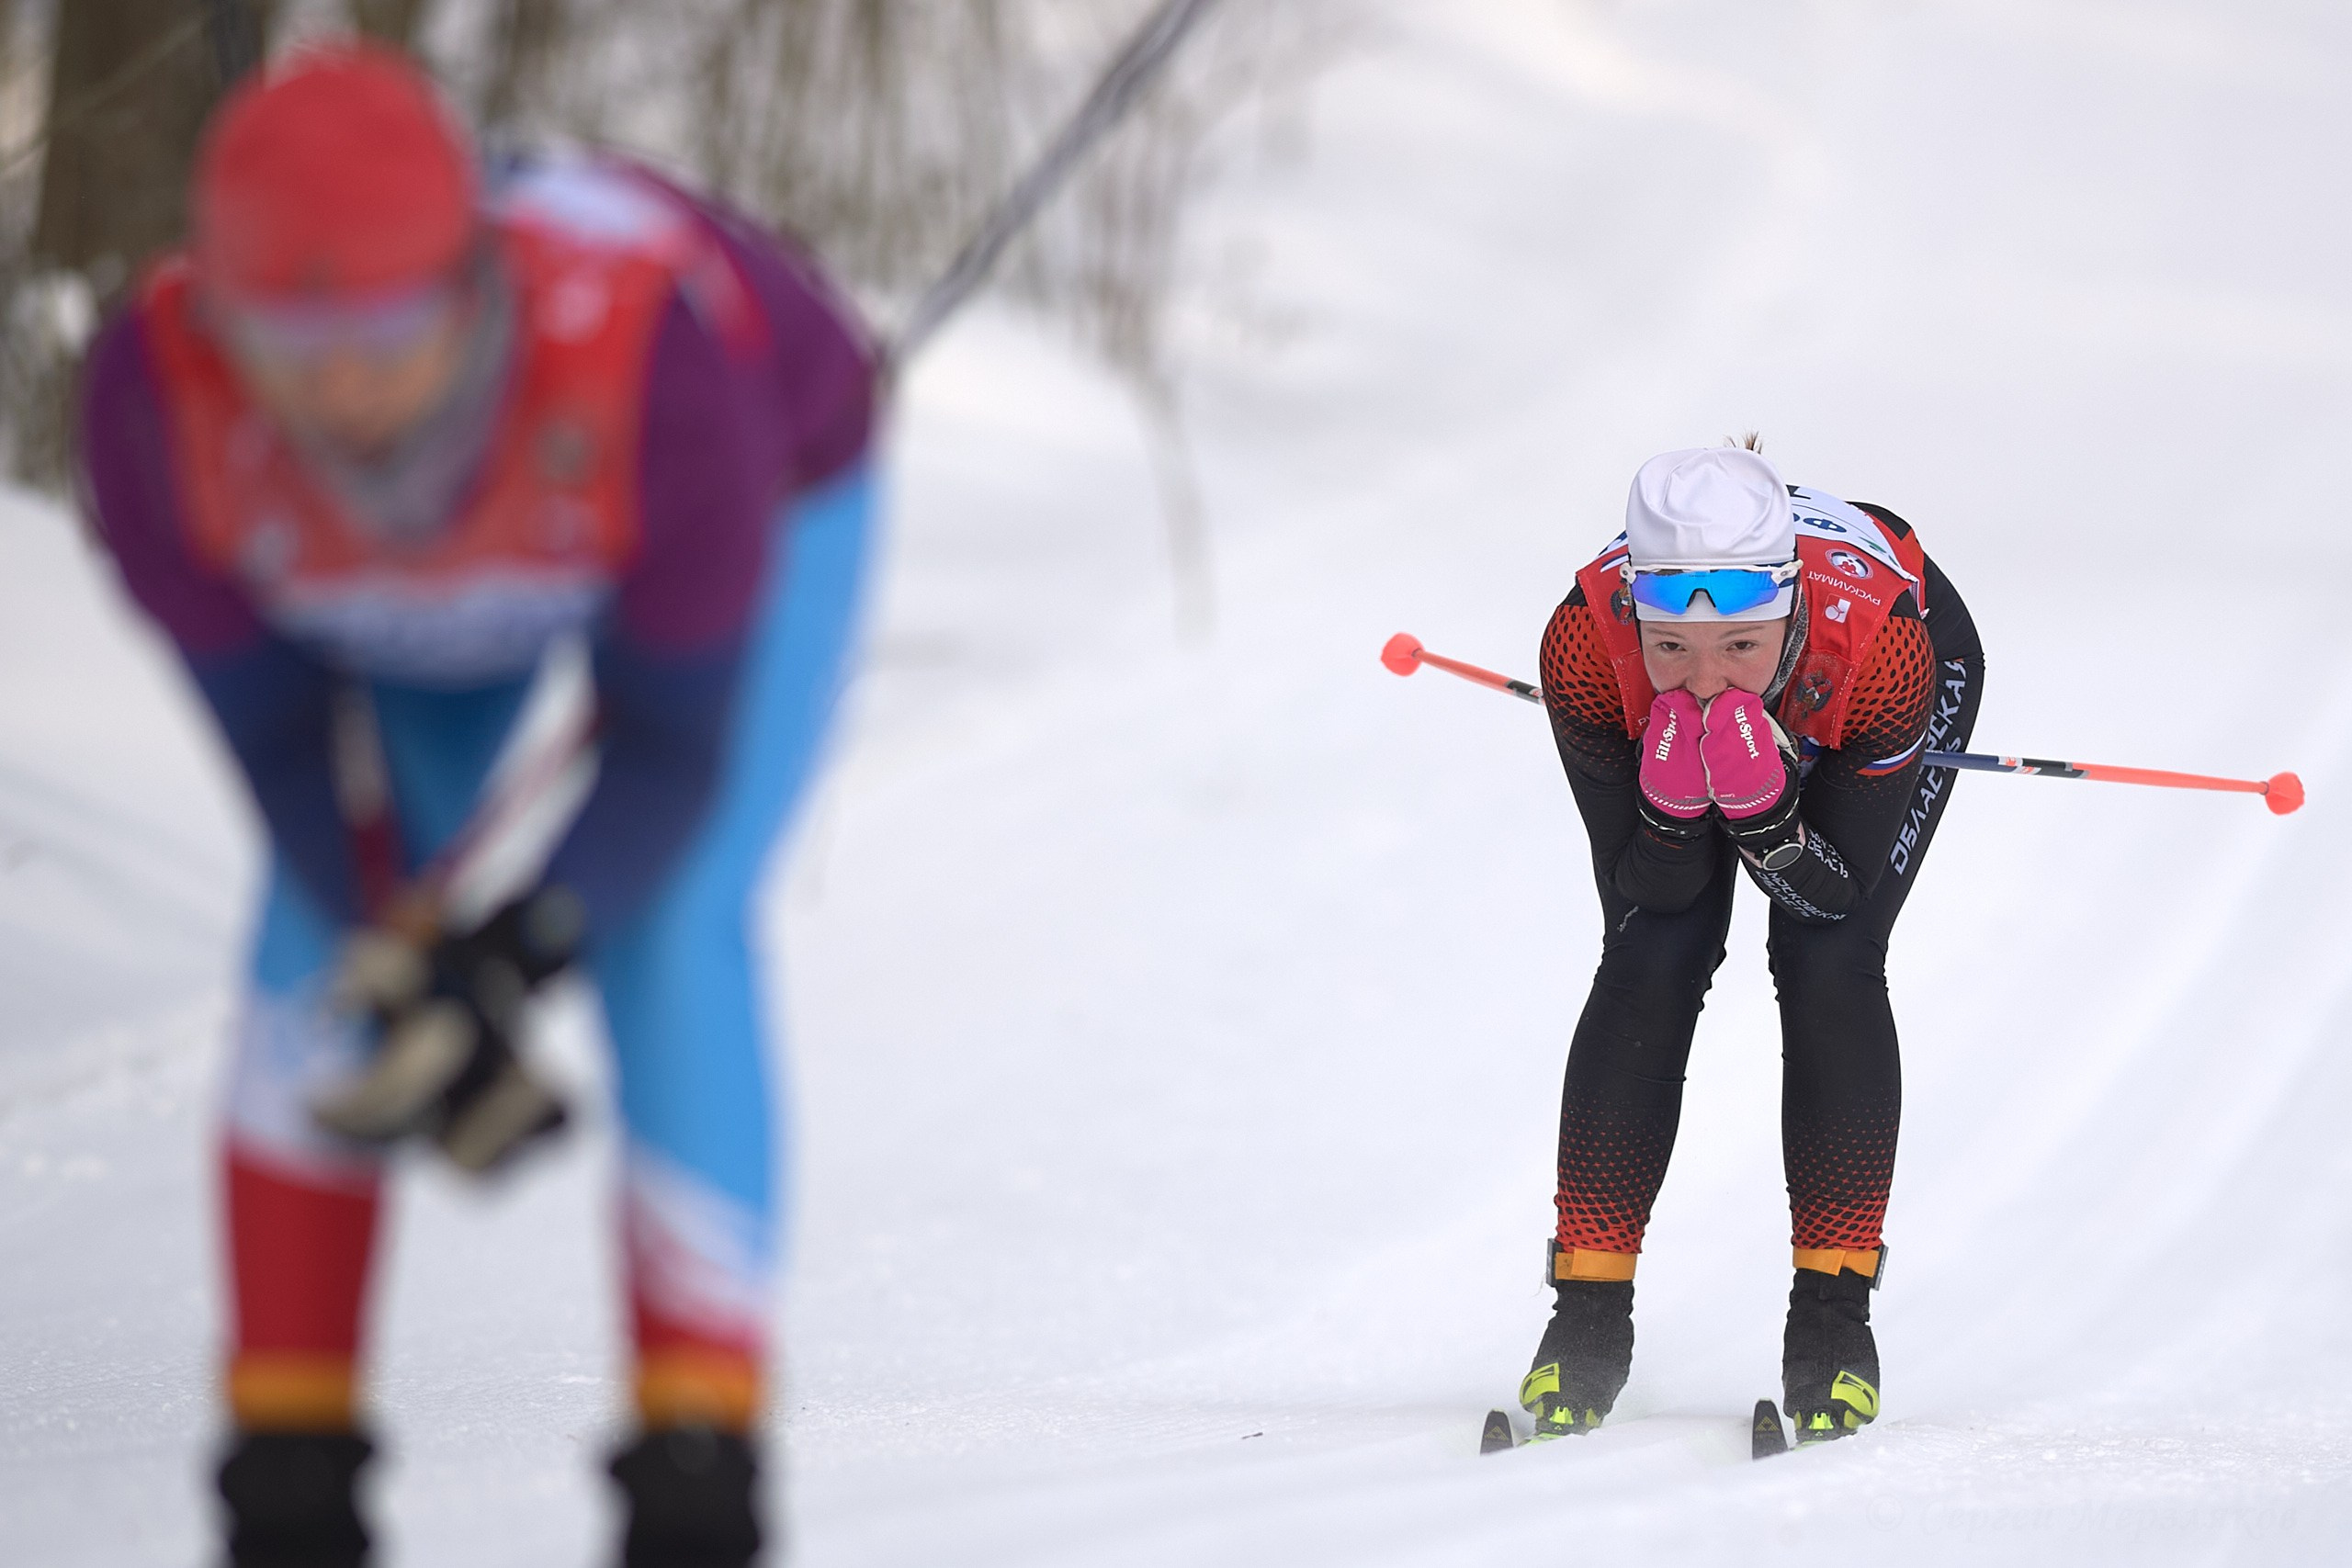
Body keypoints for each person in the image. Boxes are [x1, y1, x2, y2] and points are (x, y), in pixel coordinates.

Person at [75, 44, 875, 1566]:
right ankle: (289, 1475)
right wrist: (406, 934)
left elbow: (658, 752)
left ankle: (694, 1478)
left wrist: (520, 945)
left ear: (468, 282)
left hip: (749, 479)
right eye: (285, 335)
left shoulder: (653, 360)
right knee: (324, 931)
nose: (339, 383)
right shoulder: (160, 408)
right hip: (430, 586)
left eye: (381, 326)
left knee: (674, 925)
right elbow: (285, 752)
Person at [1521, 445, 1982, 1444]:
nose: (1702, 679)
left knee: (1828, 962)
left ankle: (1832, 1321)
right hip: (1757, 698)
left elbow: (1831, 895)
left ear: (1785, 610)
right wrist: (1674, 814)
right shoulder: (1581, 643)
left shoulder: (1884, 647)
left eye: (1739, 645)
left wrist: (1771, 821)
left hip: (1875, 678)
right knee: (1652, 954)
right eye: (1671, 649)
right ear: (1634, 619)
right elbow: (1647, 892)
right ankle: (1584, 1315)